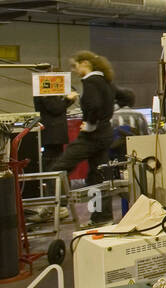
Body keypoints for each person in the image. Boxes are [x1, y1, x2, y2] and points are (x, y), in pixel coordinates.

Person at [50, 51, 117, 223]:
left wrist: (89, 123)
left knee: (58, 169)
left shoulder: (91, 81)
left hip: (92, 136)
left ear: (85, 63)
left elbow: (93, 105)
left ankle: (56, 206)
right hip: (105, 133)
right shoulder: (105, 81)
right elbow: (126, 96)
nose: (74, 70)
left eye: (75, 65)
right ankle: (102, 217)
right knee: (97, 177)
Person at [109, 88, 149, 159]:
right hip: (137, 156)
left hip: (116, 158)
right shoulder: (140, 116)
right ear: (132, 101)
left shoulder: (111, 117)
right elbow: (147, 138)